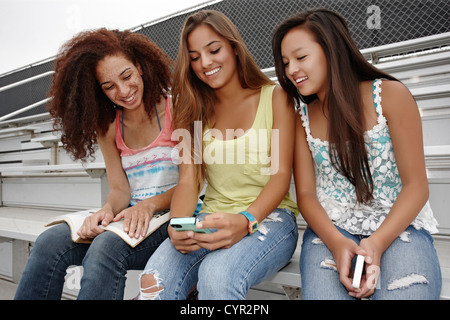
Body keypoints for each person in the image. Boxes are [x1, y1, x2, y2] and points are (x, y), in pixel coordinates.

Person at [272, 8, 441, 299]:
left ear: (332, 50)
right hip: (330, 232)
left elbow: (416, 186)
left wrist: (377, 242)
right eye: (285, 63)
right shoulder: (302, 118)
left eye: (301, 58)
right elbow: (308, 197)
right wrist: (337, 244)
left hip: (399, 225)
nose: (291, 70)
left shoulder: (390, 95)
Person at [138, 10, 299, 300]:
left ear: (234, 48)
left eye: (214, 50)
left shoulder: (275, 97)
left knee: (217, 277)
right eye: (195, 57)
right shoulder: (194, 110)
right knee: (153, 282)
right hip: (210, 218)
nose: (205, 63)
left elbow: (281, 176)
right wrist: (177, 224)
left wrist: (245, 220)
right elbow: (188, 181)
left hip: (269, 219)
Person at [14, 28, 179, 300]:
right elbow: (120, 190)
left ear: (140, 66)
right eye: (109, 86)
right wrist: (106, 210)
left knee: (106, 247)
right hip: (130, 219)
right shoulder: (110, 128)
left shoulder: (179, 108)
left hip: (175, 215)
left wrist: (147, 206)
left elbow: (193, 184)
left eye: (126, 76)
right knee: (48, 243)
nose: (123, 91)